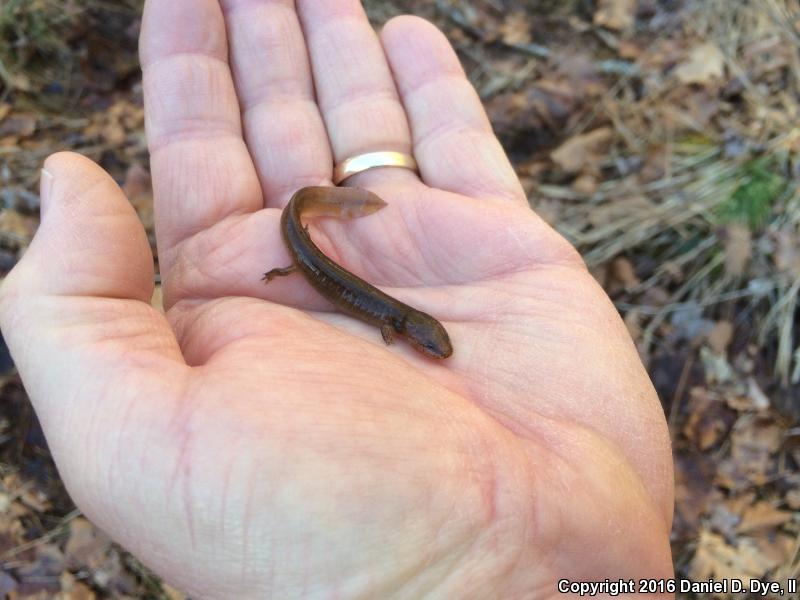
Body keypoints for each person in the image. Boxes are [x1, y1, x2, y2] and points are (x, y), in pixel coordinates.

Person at [0, 1, 675, 597]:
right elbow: (377, 312)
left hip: (320, 258)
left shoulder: (397, 320)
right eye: (432, 341)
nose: (434, 348)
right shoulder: (387, 317)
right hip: (304, 249)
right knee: (305, 248)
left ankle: (314, 221)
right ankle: (307, 222)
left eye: (432, 343)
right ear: (417, 330)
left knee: (315, 256)